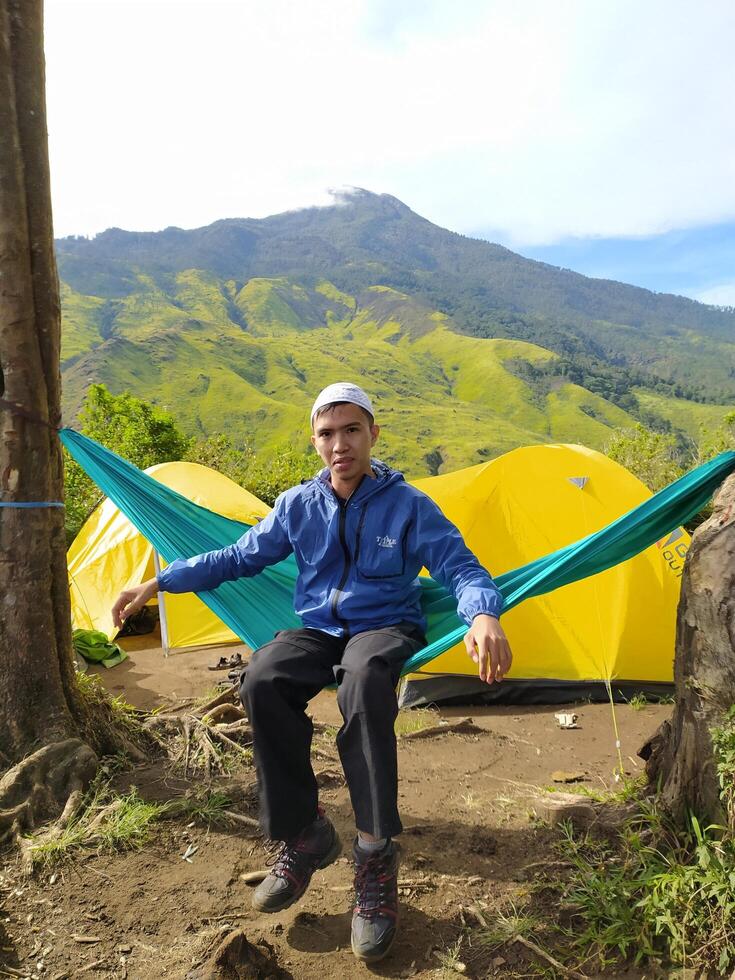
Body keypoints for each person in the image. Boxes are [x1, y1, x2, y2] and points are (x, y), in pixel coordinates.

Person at [112, 382, 512, 963]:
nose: (340, 444)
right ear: (315, 441)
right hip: (320, 630)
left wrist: (482, 616)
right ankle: (305, 832)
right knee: (261, 678)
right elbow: (238, 555)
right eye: (327, 434)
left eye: (352, 430)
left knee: (366, 680)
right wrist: (159, 581)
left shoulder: (409, 506)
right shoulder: (299, 505)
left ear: (373, 434)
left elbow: (460, 565)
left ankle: (374, 856)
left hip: (384, 627)